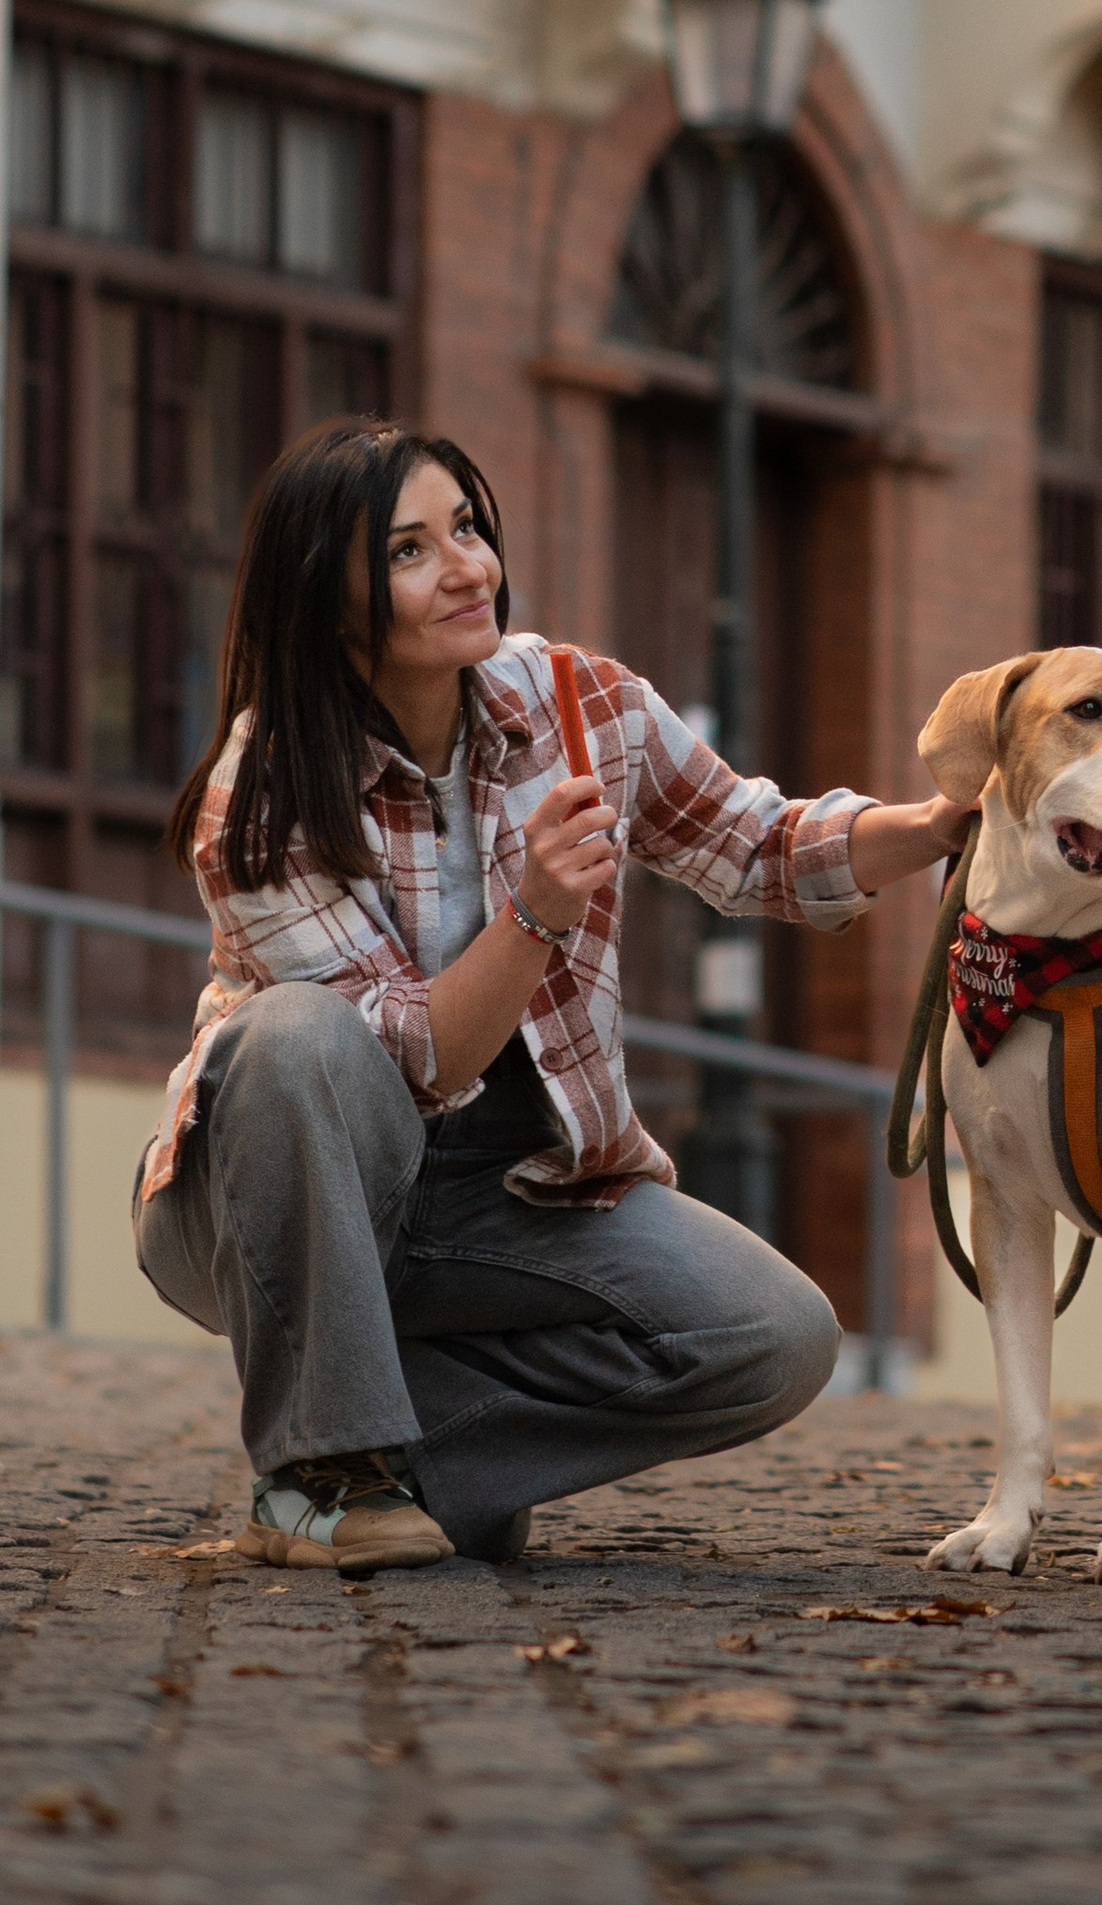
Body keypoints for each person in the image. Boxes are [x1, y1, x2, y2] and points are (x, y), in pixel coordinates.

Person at [136, 417, 970, 1574]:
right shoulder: (261, 793)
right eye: (409, 550)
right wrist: (533, 911)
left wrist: (931, 828)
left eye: (466, 527)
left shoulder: (579, 701)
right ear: (329, 601)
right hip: (280, 1191)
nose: (466, 565)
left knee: (776, 1333)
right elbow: (413, 1062)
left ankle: (411, 1466)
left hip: (510, 1185)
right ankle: (322, 1470)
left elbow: (757, 843)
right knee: (291, 1035)